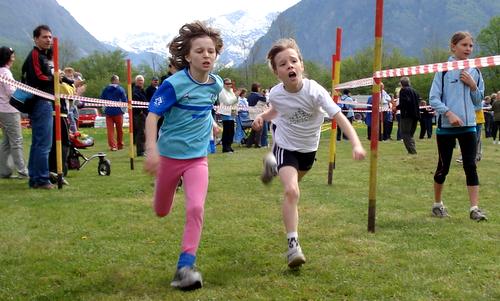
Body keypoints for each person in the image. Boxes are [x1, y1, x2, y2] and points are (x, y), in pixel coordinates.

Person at [252, 38, 366, 269]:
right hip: (285, 145)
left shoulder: (315, 92)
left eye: (294, 61)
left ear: (302, 65)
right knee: (292, 191)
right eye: (283, 64)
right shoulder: (275, 93)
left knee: (292, 190)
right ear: (277, 72)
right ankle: (293, 246)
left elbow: (339, 117)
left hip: (308, 151)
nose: (290, 66)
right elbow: (276, 110)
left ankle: (271, 166)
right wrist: (262, 117)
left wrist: (355, 143)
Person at [143, 21, 223, 291]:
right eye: (199, 51)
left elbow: (206, 105)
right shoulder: (173, 84)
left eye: (210, 51)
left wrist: (211, 121)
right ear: (188, 56)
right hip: (168, 158)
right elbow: (153, 116)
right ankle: (164, 191)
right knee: (161, 210)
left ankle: (184, 267)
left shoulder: (215, 84)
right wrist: (152, 149)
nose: (206, 55)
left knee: (196, 208)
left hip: (197, 159)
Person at [428, 31, 487, 221]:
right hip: (446, 127)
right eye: (464, 45)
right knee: (443, 167)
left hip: (469, 126)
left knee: (470, 165)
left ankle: (474, 209)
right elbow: (433, 99)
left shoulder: (476, 71)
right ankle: (437, 204)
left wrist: (473, 86)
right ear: (453, 47)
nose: (468, 49)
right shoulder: (443, 70)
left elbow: (478, 103)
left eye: (470, 46)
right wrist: (449, 113)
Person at [23, 25, 55, 189]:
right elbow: (38, 77)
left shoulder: (45, 56)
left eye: (50, 37)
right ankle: (41, 179)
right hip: (40, 102)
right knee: (44, 144)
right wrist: (55, 79)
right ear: (36, 39)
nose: (48, 39)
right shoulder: (35, 55)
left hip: (43, 101)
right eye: (44, 37)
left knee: (38, 143)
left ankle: (35, 177)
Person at [0, 46, 28, 179]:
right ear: (8, 57)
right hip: (9, 110)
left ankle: (4, 170)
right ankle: (22, 171)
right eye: (12, 54)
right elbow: (11, 91)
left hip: (3, 109)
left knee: (6, 141)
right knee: (16, 140)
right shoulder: (5, 72)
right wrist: (25, 95)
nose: (14, 56)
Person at [100, 75, 127, 151]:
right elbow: (124, 100)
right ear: (116, 81)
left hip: (108, 112)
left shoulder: (105, 89)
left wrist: (104, 110)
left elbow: (101, 99)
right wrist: (123, 111)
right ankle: (120, 145)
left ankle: (113, 146)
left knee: (110, 131)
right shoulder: (120, 89)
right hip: (118, 112)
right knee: (119, 130)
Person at [397, 76, 420, 154]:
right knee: (410, 134)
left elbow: (404, 103)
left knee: (405, 133)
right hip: (416, 115)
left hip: (407, 115)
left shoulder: (403, 90)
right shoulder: (415, 91)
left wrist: (396, 108)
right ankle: (412, 150)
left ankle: (412, 151)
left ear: (401, 83)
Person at [218, 78, 238, 153]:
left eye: (230, 84)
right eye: (227, 84)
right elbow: (227, 102)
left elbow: (235, 101)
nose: (229, 85)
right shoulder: (222, 91)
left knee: (232, 130)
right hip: (225, 112)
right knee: (227, 130)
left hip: (232, 112)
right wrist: (235, 97)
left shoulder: (231, 91)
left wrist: (236, 98)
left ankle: (229, 146)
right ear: (224, 84)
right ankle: (225, 147)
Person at [245, 82, 267, 148]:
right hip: (258, 114)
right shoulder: (258, 95)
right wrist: (264, 95)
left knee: (254, 130)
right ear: (257, 88)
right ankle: (257, 144)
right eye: (259, 87)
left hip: (252, 115)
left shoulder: (249, 96)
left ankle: (249, 144)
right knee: (259, 130)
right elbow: (265, 101)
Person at [132, 75, 148, 156]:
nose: (140, 82)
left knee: (143, 132)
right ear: (136, 81)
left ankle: (143, 149)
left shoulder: (142, 90)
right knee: (140, 132)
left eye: (141, 80)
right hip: (139, 114)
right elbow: (136, 101)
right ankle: (140, 151)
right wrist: (141, 111)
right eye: (139, 80)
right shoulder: (135, 91)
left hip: (144, 113)